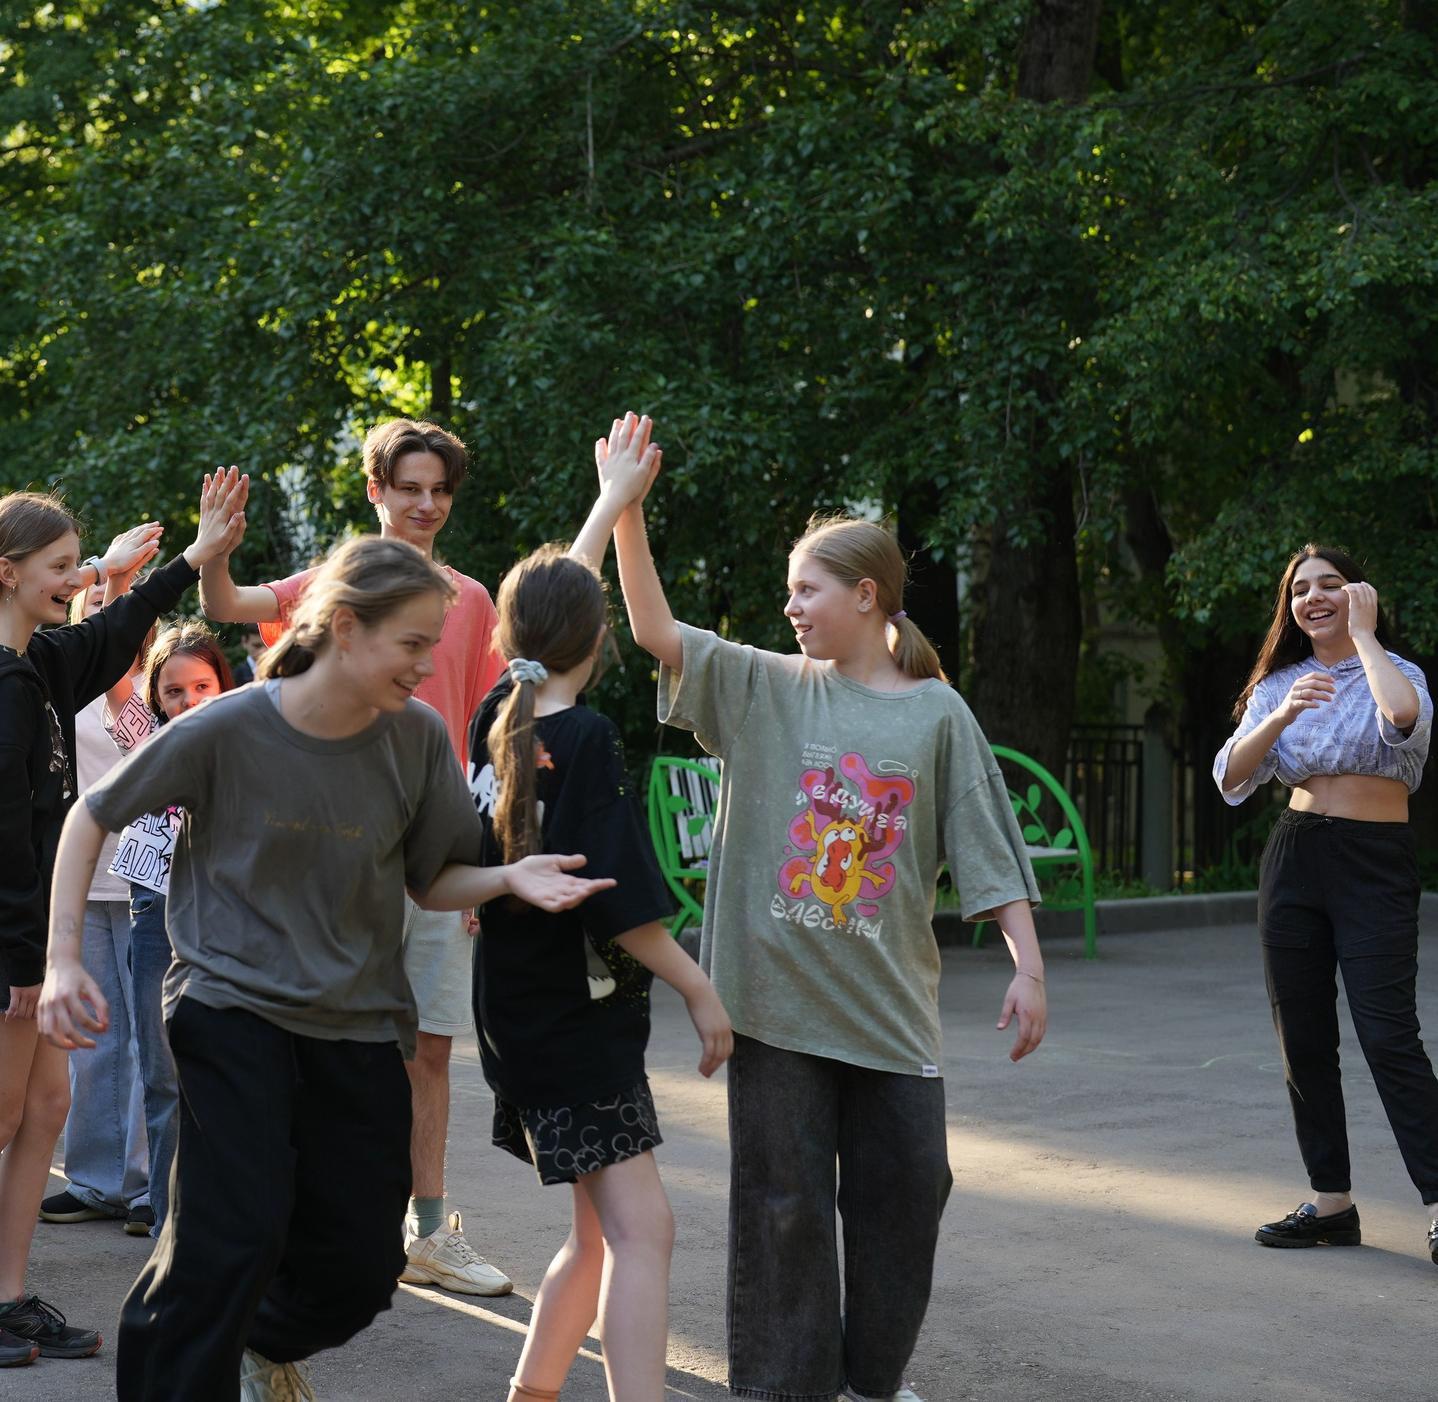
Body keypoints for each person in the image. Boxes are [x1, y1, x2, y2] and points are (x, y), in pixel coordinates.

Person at [39, 529, 617, 1402]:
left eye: (434, 644)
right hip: (228, 1004)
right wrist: (61, 960)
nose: (428, 665)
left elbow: (432, 878)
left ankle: (254, 1343)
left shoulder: (418, 738)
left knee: (360, 1264)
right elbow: (92, 815)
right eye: (413, 643)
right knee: (231, 1234)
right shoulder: (227, 727)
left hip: (353, 1021)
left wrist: (507, 874)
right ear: (344, 628)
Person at [594, 413, 1046, 1402]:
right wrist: (625, 511)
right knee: (781, 1211)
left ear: (865, 596)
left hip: (887, 1012)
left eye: (807, 589)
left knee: (908, 1196)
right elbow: (651, 632)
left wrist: (1027, 961)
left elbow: (984, 840)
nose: (790, 606)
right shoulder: (766, 687)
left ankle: (868, 1381)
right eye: (789, 591)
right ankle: (784, 1390)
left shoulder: (936, 712)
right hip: (774, 1008)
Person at [198, 420, 511, 1294]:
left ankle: (426, 1228)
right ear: (376, 490)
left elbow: (486, 742)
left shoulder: (472, 600)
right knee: (313, 1040)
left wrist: (482, 862)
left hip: (435, 857)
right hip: (331, 854)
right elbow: (227, 608)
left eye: (439, 489)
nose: (425, 503)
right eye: (408, 485)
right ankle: (302, 1220)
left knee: (432, 1049)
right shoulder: (336, 584)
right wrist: (213, 550)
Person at [0, 494, 216, 1364]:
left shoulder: (32, 662)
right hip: (8, 937)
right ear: (6, 573)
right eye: (60, 567)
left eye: (78, 563)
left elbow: (107, 636)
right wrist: (31, 959)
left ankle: (1, 1295)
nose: (75, 580)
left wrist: (189, 561)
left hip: (33, 936)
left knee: (46, 1104)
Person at [469, 547, 733, 1402]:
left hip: (517, 1015)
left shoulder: (495, 718)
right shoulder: (583, 734)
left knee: (597, 1234)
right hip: (575, 1025)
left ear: (509, 633)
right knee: (643, 1231)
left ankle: (531, 1393)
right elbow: (617, 900)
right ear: (599, 636)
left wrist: (614, 503)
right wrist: (698, 986)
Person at [1215, 545, 1438, 1275]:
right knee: (1303, 1034)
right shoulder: (1281, 683)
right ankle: (1332, 1202)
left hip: (1373, 861)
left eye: (1331, 584)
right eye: (1301, 588)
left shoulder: (1399, 669)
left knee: (1390, 1033)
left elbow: (1401, 716)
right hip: (1296, 856)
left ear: (1359, 591)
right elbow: (1233, 776)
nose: (1314, 597)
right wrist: (1279, 713)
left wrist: (1364, 635)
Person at [67, 620, 233, 1243]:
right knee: (162, 1077)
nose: (189, 702)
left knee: (223, 1076)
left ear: (223, 684)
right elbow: (113, 680)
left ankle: (221, 1225)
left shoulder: (246, 740)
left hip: (226, 921)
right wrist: (116, 586)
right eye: (172, 691)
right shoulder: (144, 745)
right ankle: (169, 1232)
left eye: (202, 686)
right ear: (153, 700)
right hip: (154, 917)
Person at [36, 588, 161, 1234]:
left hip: (148, 886)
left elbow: (144, 742)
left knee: (148, 1037)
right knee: (92, 1038)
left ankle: (144, 1183)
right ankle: (93, 1179)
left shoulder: (157, 684)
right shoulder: (63, 679)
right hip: (85, 883)